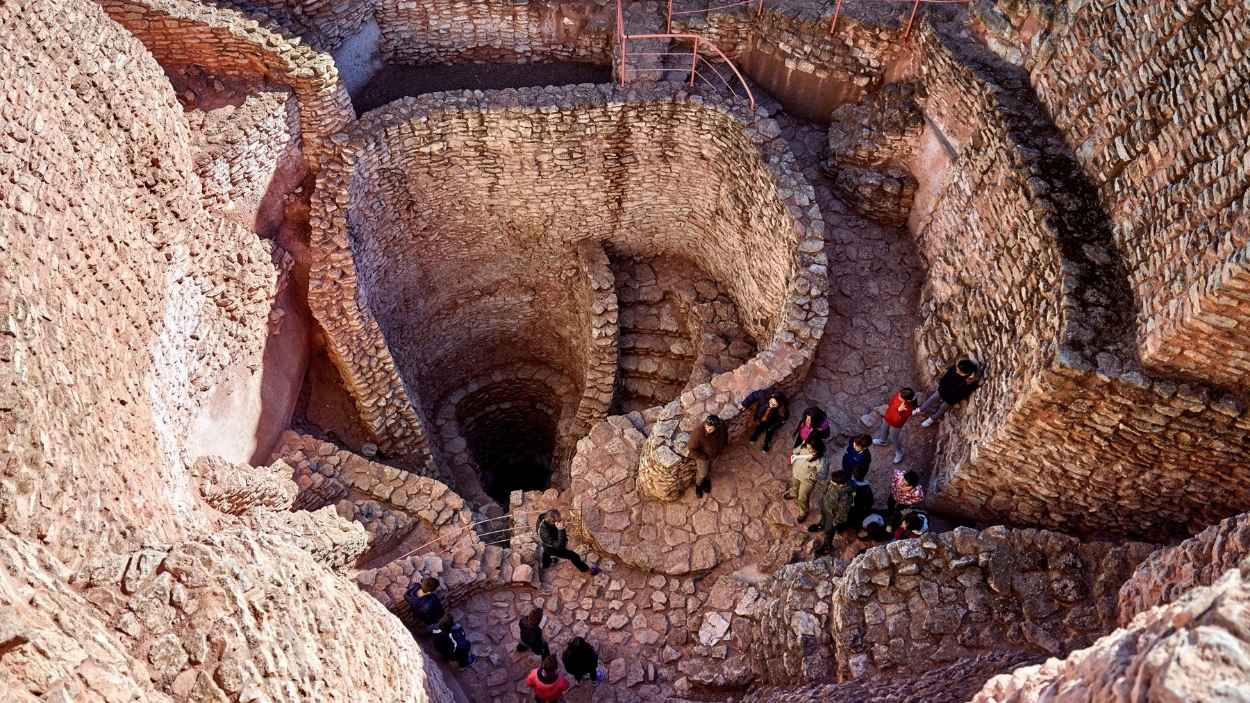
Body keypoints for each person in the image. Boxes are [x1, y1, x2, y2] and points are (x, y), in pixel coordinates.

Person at [919, 359, 981, 427]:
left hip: (950, 398)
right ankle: (920, 409)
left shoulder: (968, 382)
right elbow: (946, 376)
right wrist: (941, 385)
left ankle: (931, 420)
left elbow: (963, 392)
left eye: (959, 371)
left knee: (941, 409)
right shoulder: (958, 368)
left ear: (965, 373)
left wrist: (955, 400)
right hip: (942, 390)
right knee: (932, 399)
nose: (956, 370)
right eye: (957, 369)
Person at [536, 510, 600, 576]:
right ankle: (587, 570)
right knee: (573, 556)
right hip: (553, 547)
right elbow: (560, 546)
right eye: (559, 521)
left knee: (546, 552)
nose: (561, 521)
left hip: (547, 543)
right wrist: (561, 530)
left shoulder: (544, 516)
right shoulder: (545, 533)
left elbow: (552, 529)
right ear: (553, 522)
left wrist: (559, 526)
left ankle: (546, 564)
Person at [809, 470, 854, 554]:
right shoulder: (835, 482)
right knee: (823, 517)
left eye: (833, 482)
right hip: (826, 506)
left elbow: (843, 512)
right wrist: (817, 480)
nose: (831, 482)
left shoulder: (845, 496)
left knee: (829, 531)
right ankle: (821, 525)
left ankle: (827, 546)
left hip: (833, 514)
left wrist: (836, 522)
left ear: (841, 485)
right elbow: (826, 485)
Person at [786, 437, 829, 522]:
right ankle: (793, 493)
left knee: (802, 498)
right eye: (807, 447)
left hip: (807, 480)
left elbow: (823, 475)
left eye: (811, 449)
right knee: (794, 485)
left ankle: (803, 512)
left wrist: (814, 475)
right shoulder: (805, 445)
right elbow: (795, 451)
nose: (808, 450)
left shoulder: (822, 460)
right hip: (796, 472)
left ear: (817, 449)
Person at [688, 415, 728, 498]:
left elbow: (725, 434)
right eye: (707, 426)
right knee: (702, 473)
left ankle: (707, 481)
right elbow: (692, 449)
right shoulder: (698, 433)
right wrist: (704, 457)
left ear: (716, 427)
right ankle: (698, 486)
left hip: (715, 455)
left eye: (711, 428)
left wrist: (724, 445)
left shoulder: (721, 426)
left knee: (709, 469)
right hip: (703, 458)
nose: (708, 429)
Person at [873, 387, 916, 464]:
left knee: (894, 438)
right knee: (884, 429)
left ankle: (899, 452)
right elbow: (891, 403)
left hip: (896, 424)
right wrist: (895, 409)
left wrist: (899, 411)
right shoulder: (899, 395)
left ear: (907, 400)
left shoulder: (908, 409)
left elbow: (898, 420)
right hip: (887, 417)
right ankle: (883, 441)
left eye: (900, 397)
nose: (898, 396)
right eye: (899, 394)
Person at [741, 388, 789, 453]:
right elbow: (754, 395)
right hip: (761, 417)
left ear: (778, 404)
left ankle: (766, 445)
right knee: (759, 426)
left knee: (769, 431)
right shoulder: (764, 395)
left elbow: (783, 418)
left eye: (774, 404)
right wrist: (745, 403)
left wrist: (774, 426)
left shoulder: (781, 409)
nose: (771, 405)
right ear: (771, 397)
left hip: (771, 420)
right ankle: (754, 437)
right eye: (771, 402)